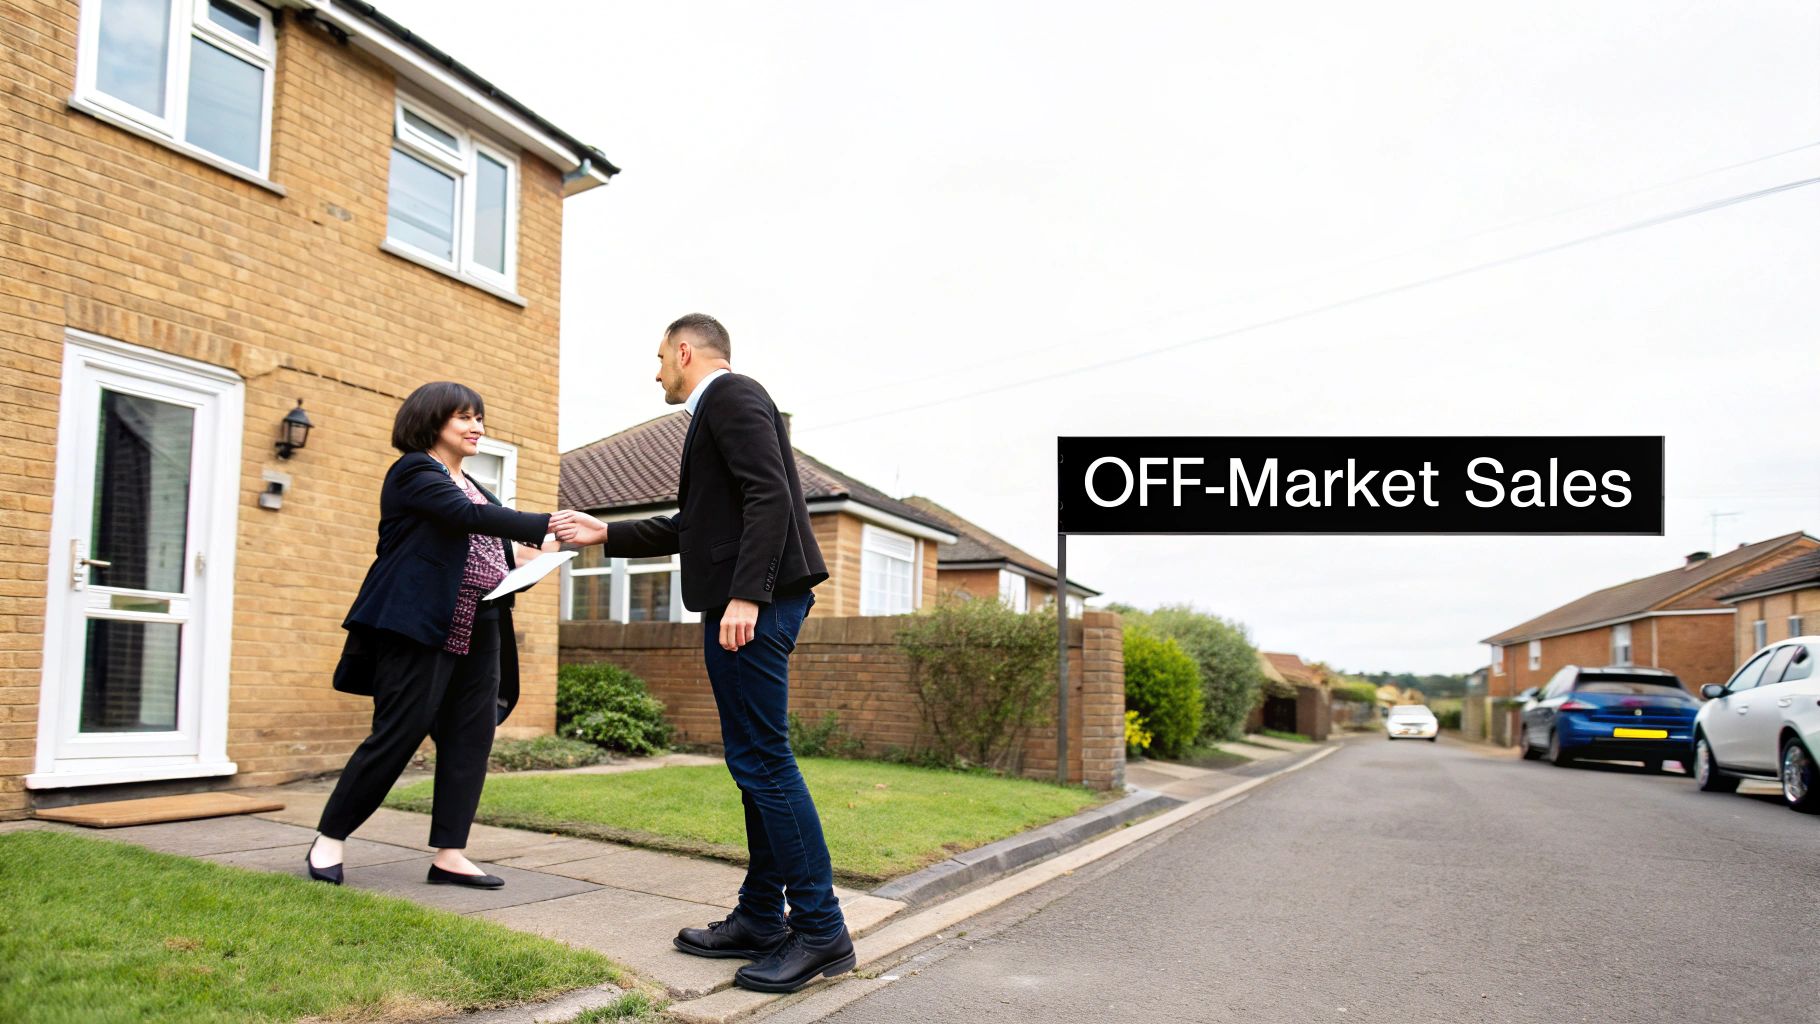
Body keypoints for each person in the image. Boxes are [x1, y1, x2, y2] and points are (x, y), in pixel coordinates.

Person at [551, 314, 852, 993]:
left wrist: (747, 595)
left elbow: (771, 494)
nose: (656, 371)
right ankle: (759, 917)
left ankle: (821, 930)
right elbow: (697, 524)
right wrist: (606, 532)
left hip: (756, 605)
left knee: (764, 761)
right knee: (754, 765)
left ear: (685, 352)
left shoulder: (734, 395)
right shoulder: (717, 410)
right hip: (749, 601)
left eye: (660, 358)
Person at [306, 381, 563, 890]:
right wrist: (546, 521)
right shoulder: (414, 471)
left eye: (480, 418)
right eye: (464, 418)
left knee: (471, 738)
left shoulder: (470, 482)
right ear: (432, 421)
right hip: (421, 624)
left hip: (482, 620)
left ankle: (450, 854)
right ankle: (329, 839)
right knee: (398, 733)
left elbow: (488, 543)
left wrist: (540, 555)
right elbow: (465, 518)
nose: (477, 427)